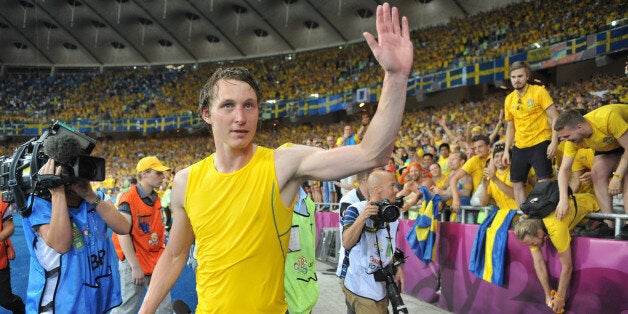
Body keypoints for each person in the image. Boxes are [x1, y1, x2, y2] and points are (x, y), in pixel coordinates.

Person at [139, 3, 413, 313]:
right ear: (207, 115)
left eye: (249, 105)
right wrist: (145, 310)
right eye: (228, 106)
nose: (240, 117)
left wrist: (395, 76)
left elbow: (372, 152)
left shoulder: (283, 163)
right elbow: (175, 256)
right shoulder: (186, 181)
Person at [22, 158, 131, 313]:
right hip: (59, 304)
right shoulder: (40, 204)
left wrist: (90, 195)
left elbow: (123, 227)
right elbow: (61, 245)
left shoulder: (96, 198)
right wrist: (58, 193)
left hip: (93, 297)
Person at [514, 192, 600, 313]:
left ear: (539, 233)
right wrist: (547, 294)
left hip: (594, 206)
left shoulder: (555, 228)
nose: (532, 247)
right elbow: (538, 263)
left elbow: (568, 267)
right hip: (571, 215)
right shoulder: (530, 226)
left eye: (532, 244)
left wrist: (560, 298)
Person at [553, 105, 628, 239]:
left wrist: (617, 177)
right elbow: (563, 170)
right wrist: (563, 199)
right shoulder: (572, 140)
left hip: (625, 138)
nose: (564, 141)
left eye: (566, 136)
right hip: (611, 144)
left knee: (626, 174)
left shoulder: (607, 118)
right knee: (596, 173)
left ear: (580, 127)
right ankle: (609, 224)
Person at [111, 156, 172, 313]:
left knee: (164, 307)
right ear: (144, 174)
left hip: (155, 260)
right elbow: (122, 234)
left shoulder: (156, 198)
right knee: (127, 308)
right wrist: (135, 267)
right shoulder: (129, 198)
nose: (163, 177)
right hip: (135, 262)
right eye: (158, 173)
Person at [341, 169, 405, 313]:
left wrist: (398, 267)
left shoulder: (392, 214)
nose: (396, 190)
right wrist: (363, 217)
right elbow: (346, 242)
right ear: (377, 189)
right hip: (360, 285)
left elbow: (389, 247)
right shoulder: (356, 209)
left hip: (381, 286)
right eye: (392, 185)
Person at [501, 61, 559, 208]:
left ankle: (544, 213)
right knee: (516, 181)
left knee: (544, 180)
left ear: (527, 76)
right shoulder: (509, 99)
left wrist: (554, 142)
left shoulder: (539, 92)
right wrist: (507, 150)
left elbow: (555, 117)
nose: (516, 80)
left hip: (540, 141)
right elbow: (510, 127)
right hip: (520, 145)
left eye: (520, 76)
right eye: (513, 77)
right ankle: (525, 214)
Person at [336, 170, 371, 314]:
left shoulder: (379, 199)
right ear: (368, 180)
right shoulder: (349, 200)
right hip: (353, 267)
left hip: (372, 266)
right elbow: (348, 239)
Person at [284, 185, 319, 314]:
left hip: (306, 286)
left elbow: (309, 245)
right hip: (281, 294)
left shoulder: (308, 203)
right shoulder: (271, 199)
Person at [450, 135, 491, 220]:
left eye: (480, 147)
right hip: (479, 204)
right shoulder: (473, 161)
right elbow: (454, 179)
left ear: (488, 146)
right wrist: (456, 199)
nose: (477, 150)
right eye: (475, 148)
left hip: (497, 202)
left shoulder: (495, 158)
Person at [0, 201, 25, 314]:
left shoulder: (1, 203)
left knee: (5, 299)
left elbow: (9, 227)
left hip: (0, 261)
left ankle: (20, 309)